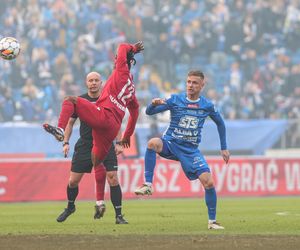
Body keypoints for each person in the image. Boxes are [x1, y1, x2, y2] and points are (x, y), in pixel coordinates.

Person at [134, 70, 230, 230]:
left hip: (190, 151)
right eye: (188, 82)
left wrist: (224, 147)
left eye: (194, 83)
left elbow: (220, 123)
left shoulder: (207, 105)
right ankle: (148, 184)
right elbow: (149, 112)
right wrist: (153, 104)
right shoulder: (175, 99)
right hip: (171, 144)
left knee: (209, 182)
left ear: (202, 85)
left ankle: (212, 222)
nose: (190, 85)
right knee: (152, 143)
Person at [43, 41, 143, 180]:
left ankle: (60, 129)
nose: (115, 60)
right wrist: (127, 135)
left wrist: (132, 49)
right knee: (96, 161)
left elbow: (122, 46)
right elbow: (135, 113)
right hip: (113, 128)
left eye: (117, 58)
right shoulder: (132, 90)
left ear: (124, 62)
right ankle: (101, 201)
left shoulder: (121, 70)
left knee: (70, 99)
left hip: (103, 115)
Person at [56, 72, 128, 224]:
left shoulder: (109, 100)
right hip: (85, 144)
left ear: (101, 83)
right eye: (91, 80)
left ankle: (119, 215)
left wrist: (119, 142)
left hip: (105, 142)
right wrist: (66, 142)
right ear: (86, 83)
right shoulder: (80, 100)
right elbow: (70, 123)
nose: (93, 83)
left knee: (113, 177)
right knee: (73, 181)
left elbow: (117, 122)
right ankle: (70, 207)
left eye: (96, 80)